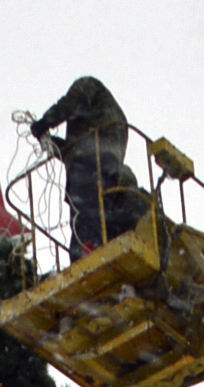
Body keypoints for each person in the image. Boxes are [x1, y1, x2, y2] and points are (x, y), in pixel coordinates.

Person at [30, 77, 153, 257]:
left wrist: (44, 122)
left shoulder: (88, 84)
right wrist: (50, 143)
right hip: (107, 169)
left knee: (85, 217)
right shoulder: (113, 118)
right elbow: (76, 150)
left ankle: (87, 252)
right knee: (101, 214)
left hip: (89, 170)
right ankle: (93, 248)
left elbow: (71, 103)